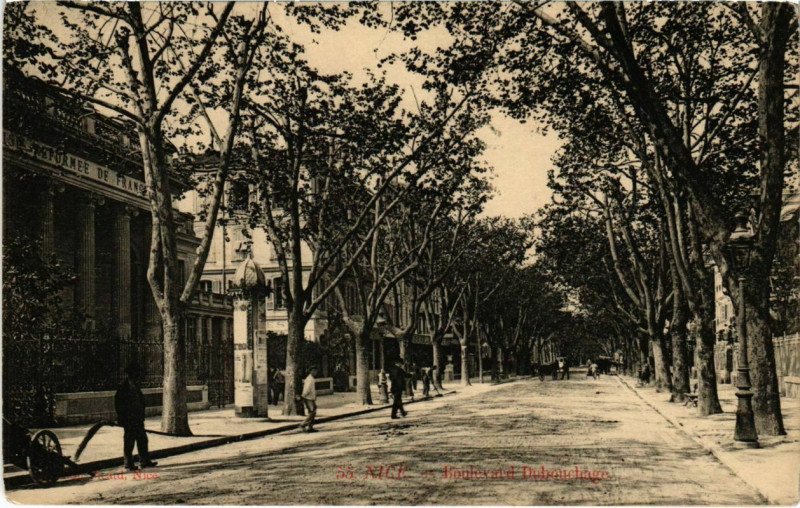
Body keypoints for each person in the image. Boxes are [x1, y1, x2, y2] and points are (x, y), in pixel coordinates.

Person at [115, 362, 157, 471]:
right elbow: (118, 404)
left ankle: (144, 461)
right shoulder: (123, 387)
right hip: (129, 419)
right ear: (130, 374)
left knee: (142, 440)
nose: (138, 375)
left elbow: (140, 402)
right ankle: (128, 463)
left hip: (138, 419)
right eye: (136, 373)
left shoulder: (135, 385)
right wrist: (122, 418)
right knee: (129, 442)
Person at [299, 366, 318, 432]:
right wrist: (303, 396)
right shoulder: (309, 379)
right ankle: (303, 424)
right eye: (314, 371)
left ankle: (310, 427)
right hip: (308, 398)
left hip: (311, 397)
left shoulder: (311, 379)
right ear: (311, 371)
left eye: (316, 371)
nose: (315, 372)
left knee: (313, 411)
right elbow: (307, 389)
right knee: (312, 412)